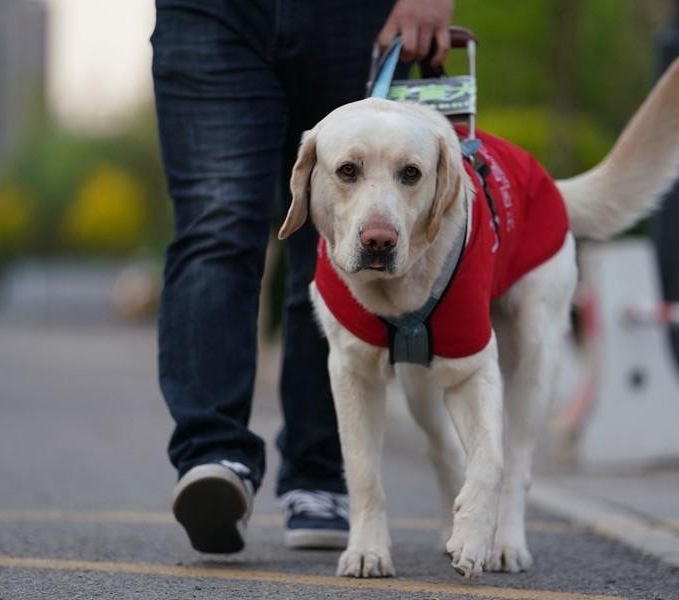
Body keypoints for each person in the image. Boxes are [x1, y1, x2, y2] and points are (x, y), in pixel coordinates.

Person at [151, 0, 454, 553]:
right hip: (208, 13)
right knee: (215, 222)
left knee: (348, 234)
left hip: (357, 16)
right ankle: (214, 458)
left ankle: (319, 474)